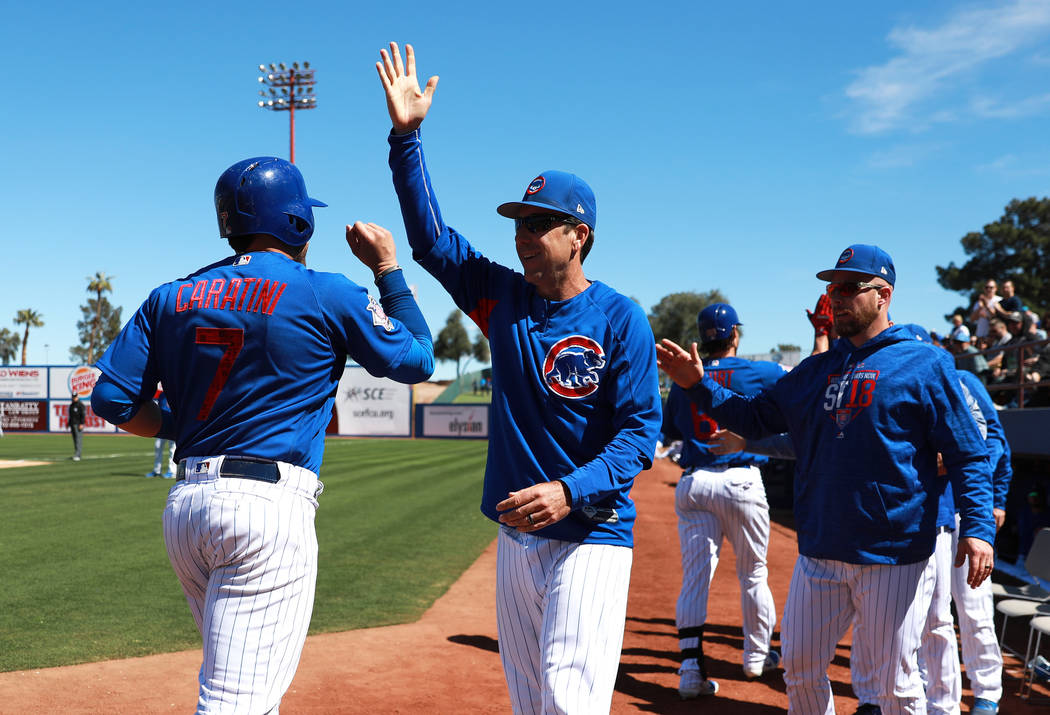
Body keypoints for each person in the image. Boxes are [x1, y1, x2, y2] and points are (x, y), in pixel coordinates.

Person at [376, 42, 662, 714]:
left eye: (539, 223)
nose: (522, 234)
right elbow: (433, 241)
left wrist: (571, 488)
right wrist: (406, 138)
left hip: (591, 531)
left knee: (569, 699)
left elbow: (640, 433)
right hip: (515, 535)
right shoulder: (502, 300)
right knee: (531, 702)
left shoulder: (620, 318)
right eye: (518, 222)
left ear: (579, 235)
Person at [91, 156, 434, 713]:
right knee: (235, 701)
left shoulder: (172, 294)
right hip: (265, 511)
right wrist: (389, 269)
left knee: (249, 688)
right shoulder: (325, 290)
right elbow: (417, 359)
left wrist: (184, 425)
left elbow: (111, 399)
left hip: (186, 507)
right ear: (299, 223)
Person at [655, 243, 995, 714]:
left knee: (894, 685)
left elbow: (969, 452)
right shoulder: (815, 371)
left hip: (891, 554)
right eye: (833, 287)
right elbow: (754, 419)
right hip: (819, 550)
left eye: (852, 287)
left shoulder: (924, 364)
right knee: (799, 666)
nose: (837, 296)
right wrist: (699, 386)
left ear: (884, 295)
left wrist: (978, 529)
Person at [659, 303, 786, 698]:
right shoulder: (759, 371)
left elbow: (669, 433)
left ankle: (690, 672)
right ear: (734, 335)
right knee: (754, 573)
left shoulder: (685, 379)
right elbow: (807, 380)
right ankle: (756, 656)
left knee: (695, 578)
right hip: (741, 479)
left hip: (695, 482)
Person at [148, 389, 176, 478]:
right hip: (162, 425)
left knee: (173, 449)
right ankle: (156, 470)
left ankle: (172, 471)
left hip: (174, 424)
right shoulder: (162, 395)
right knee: (158, 446)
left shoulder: (177, 393)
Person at [69, 393, 86, 461]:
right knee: (75, 439)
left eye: (75, 397)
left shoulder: (80, 405)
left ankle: (78, 455)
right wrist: (69, 423)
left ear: (77, 397)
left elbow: (83, 415)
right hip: (73, 424)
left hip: (78, 424)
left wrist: (81, 424)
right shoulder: (72, 405)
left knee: (78, 440)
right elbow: (71, 416)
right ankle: (77, 453)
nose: (74, 398)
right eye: (73, 397)